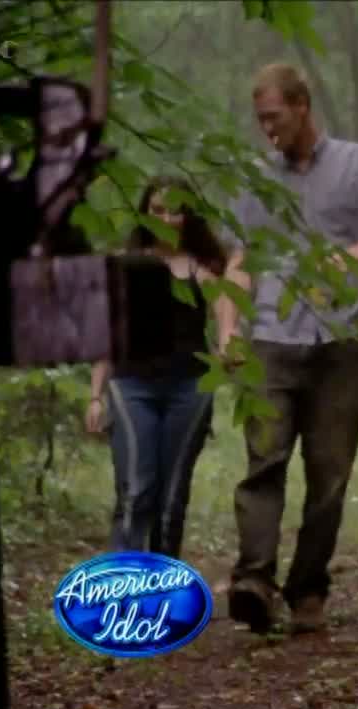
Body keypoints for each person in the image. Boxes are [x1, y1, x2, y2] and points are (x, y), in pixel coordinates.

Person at [220, 62, 358, 634]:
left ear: (301, 106)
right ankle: (254, 581)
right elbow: (240, 261)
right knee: (264, 462)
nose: (267, 129)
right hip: (271, 340)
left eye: (274, 117)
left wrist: (350, 257)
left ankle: (307, 588)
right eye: (260, 120)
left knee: (329, 475)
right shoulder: (257, 179)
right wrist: (228, 329)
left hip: (341, 341)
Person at [84, 176, 239, 559]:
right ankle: (124, 579)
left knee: (171, 499)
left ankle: (162, 584)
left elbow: (225, 310)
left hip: (190, 388)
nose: (166, 219)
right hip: (131, 384)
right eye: (157, 210)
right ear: (144, 212)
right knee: (137, 490)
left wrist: (227, 344)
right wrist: (95, 396)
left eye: (175, 211)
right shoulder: (126, 265)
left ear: (188, 216)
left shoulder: (202, 269)